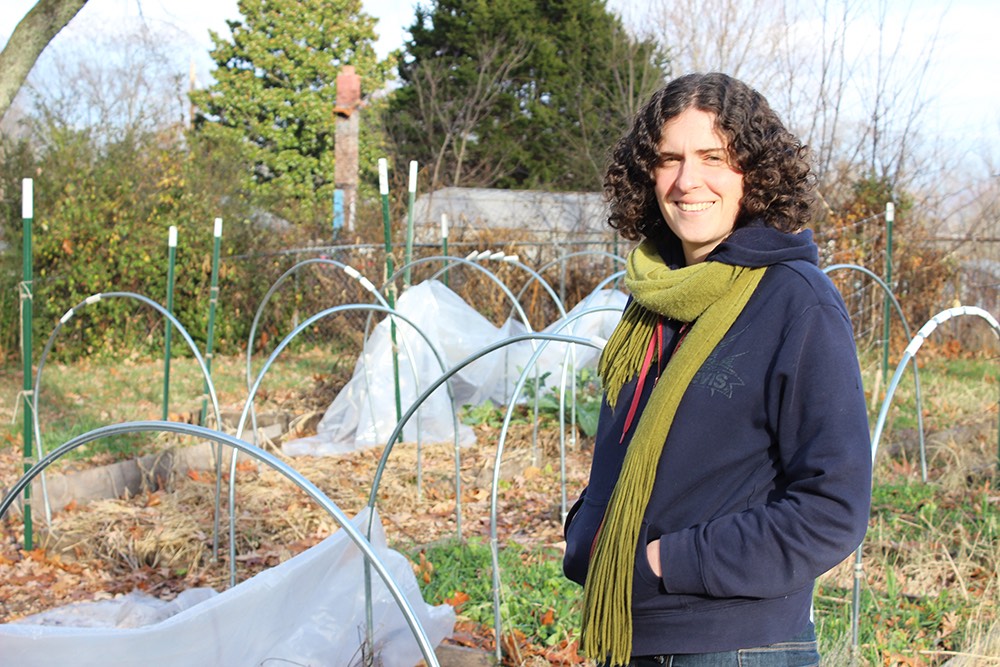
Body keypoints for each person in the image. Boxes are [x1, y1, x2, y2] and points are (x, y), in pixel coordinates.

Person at [562, 72, 872, 666]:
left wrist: (664, 562)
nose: (687, 181)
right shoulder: (655, 297)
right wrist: (590, 533)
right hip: (630, 633)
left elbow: (833, 506)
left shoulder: (794, 302)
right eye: (668, 159)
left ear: (752, 174)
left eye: (713, 157)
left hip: (734, 645)